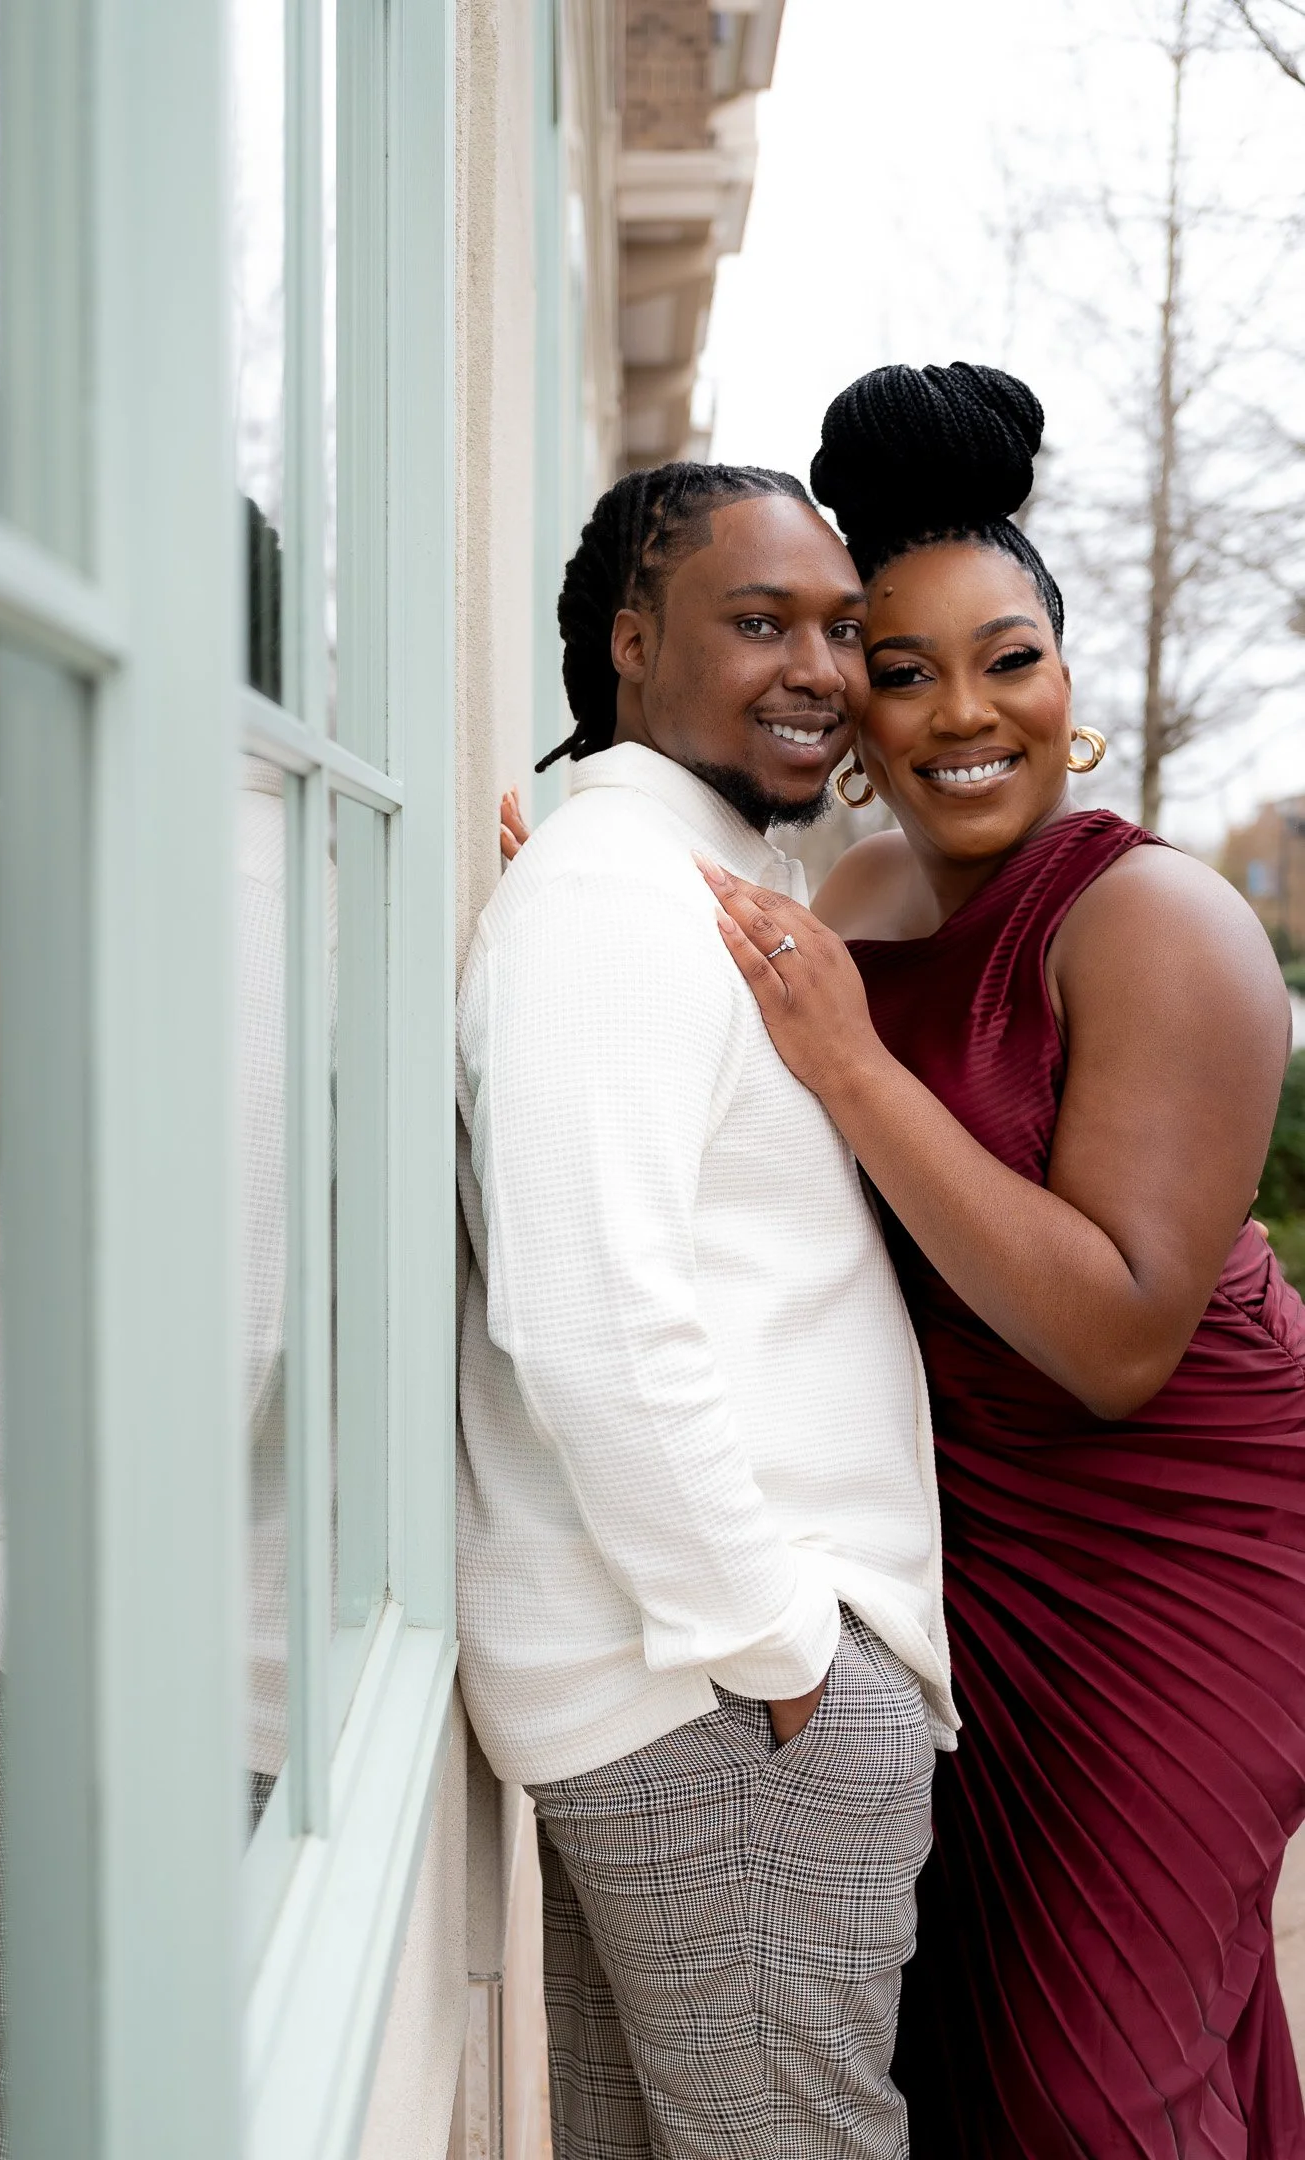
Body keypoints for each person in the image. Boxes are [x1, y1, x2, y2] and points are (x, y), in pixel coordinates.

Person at [699, 363, 1305, 2155]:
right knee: (990, 2033)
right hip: (949, 1533)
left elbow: (1120, 1336)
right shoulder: (852, 911)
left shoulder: (1164, 923)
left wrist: (858, 1070)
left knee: (1088, 2083)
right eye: (904, 670)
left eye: (1009, 656)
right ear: (850, 716)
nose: (966, 711)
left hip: (1174, 1530)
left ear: (1068, 682)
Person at [458, 462, 956, 2160]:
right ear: (629, 642)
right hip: (727, 1702)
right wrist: (783, 1649)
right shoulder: (610, 902)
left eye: (839, 627)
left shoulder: (684, 877)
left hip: (698, 1690)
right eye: (759, 623)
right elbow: (593, 1316)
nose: (817, 667)